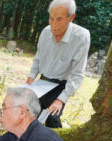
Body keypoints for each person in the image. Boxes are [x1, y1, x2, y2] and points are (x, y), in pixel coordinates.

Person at [27, 0, 90, 128]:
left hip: (60, 85)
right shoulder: (45, 32)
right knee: (29, 113)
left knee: (52, 118)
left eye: (59, 19)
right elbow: (38, 59)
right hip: (42, 82)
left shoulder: (81, 37)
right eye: (51, 18)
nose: (54, 25)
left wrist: (60, 100)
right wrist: (30, 79)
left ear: (71, 18)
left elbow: (77, 74)